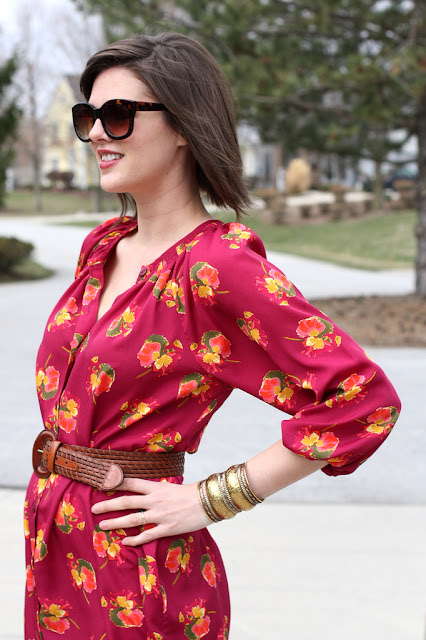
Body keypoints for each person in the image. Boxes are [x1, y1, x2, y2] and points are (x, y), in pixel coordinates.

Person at [25, 31, 401, 639]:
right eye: (87, 117)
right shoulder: (102, 247)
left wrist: (211, 499)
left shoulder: (214, 266)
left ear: (182, 125)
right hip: (59, 552)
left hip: (139, 571)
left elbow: (363, 401)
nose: (95, 134)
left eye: (117, 115)